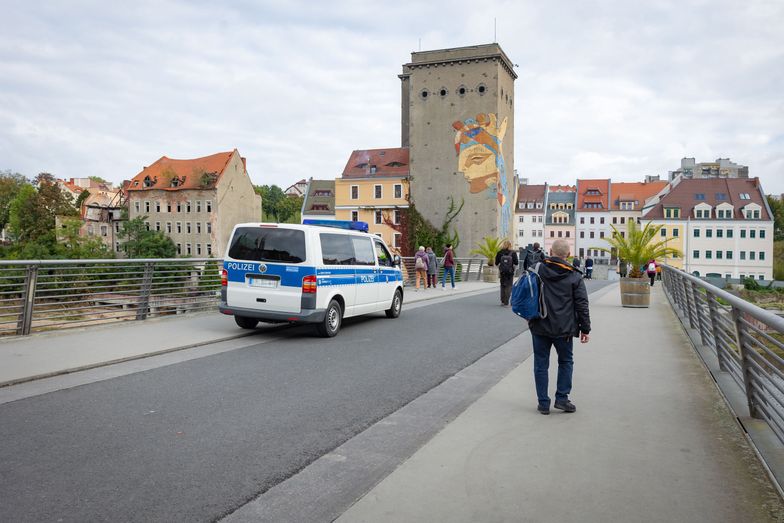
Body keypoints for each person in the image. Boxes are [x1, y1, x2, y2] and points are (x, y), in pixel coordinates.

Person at [528, 239, 591, 415]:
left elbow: (528, 294)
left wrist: (528, 317)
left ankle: (543, 403)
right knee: (565, 361)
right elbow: (582, 304)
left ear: (550, 251)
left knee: (541, 364)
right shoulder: (574, 275)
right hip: (564, 328)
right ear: (568, 255)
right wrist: (585, 329)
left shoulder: (537, 269)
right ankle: (562, 399)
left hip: (539, 324)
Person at [494, 239, 519, 306]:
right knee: (509, 286)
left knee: (502, 285)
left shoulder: (499, 252)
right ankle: (506, 301)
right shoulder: (513, 253)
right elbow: (516, 262)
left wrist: (501, 267)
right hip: (510, 272)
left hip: (502, 272)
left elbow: (496, 263)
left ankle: (502, 301)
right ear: (510, 245)